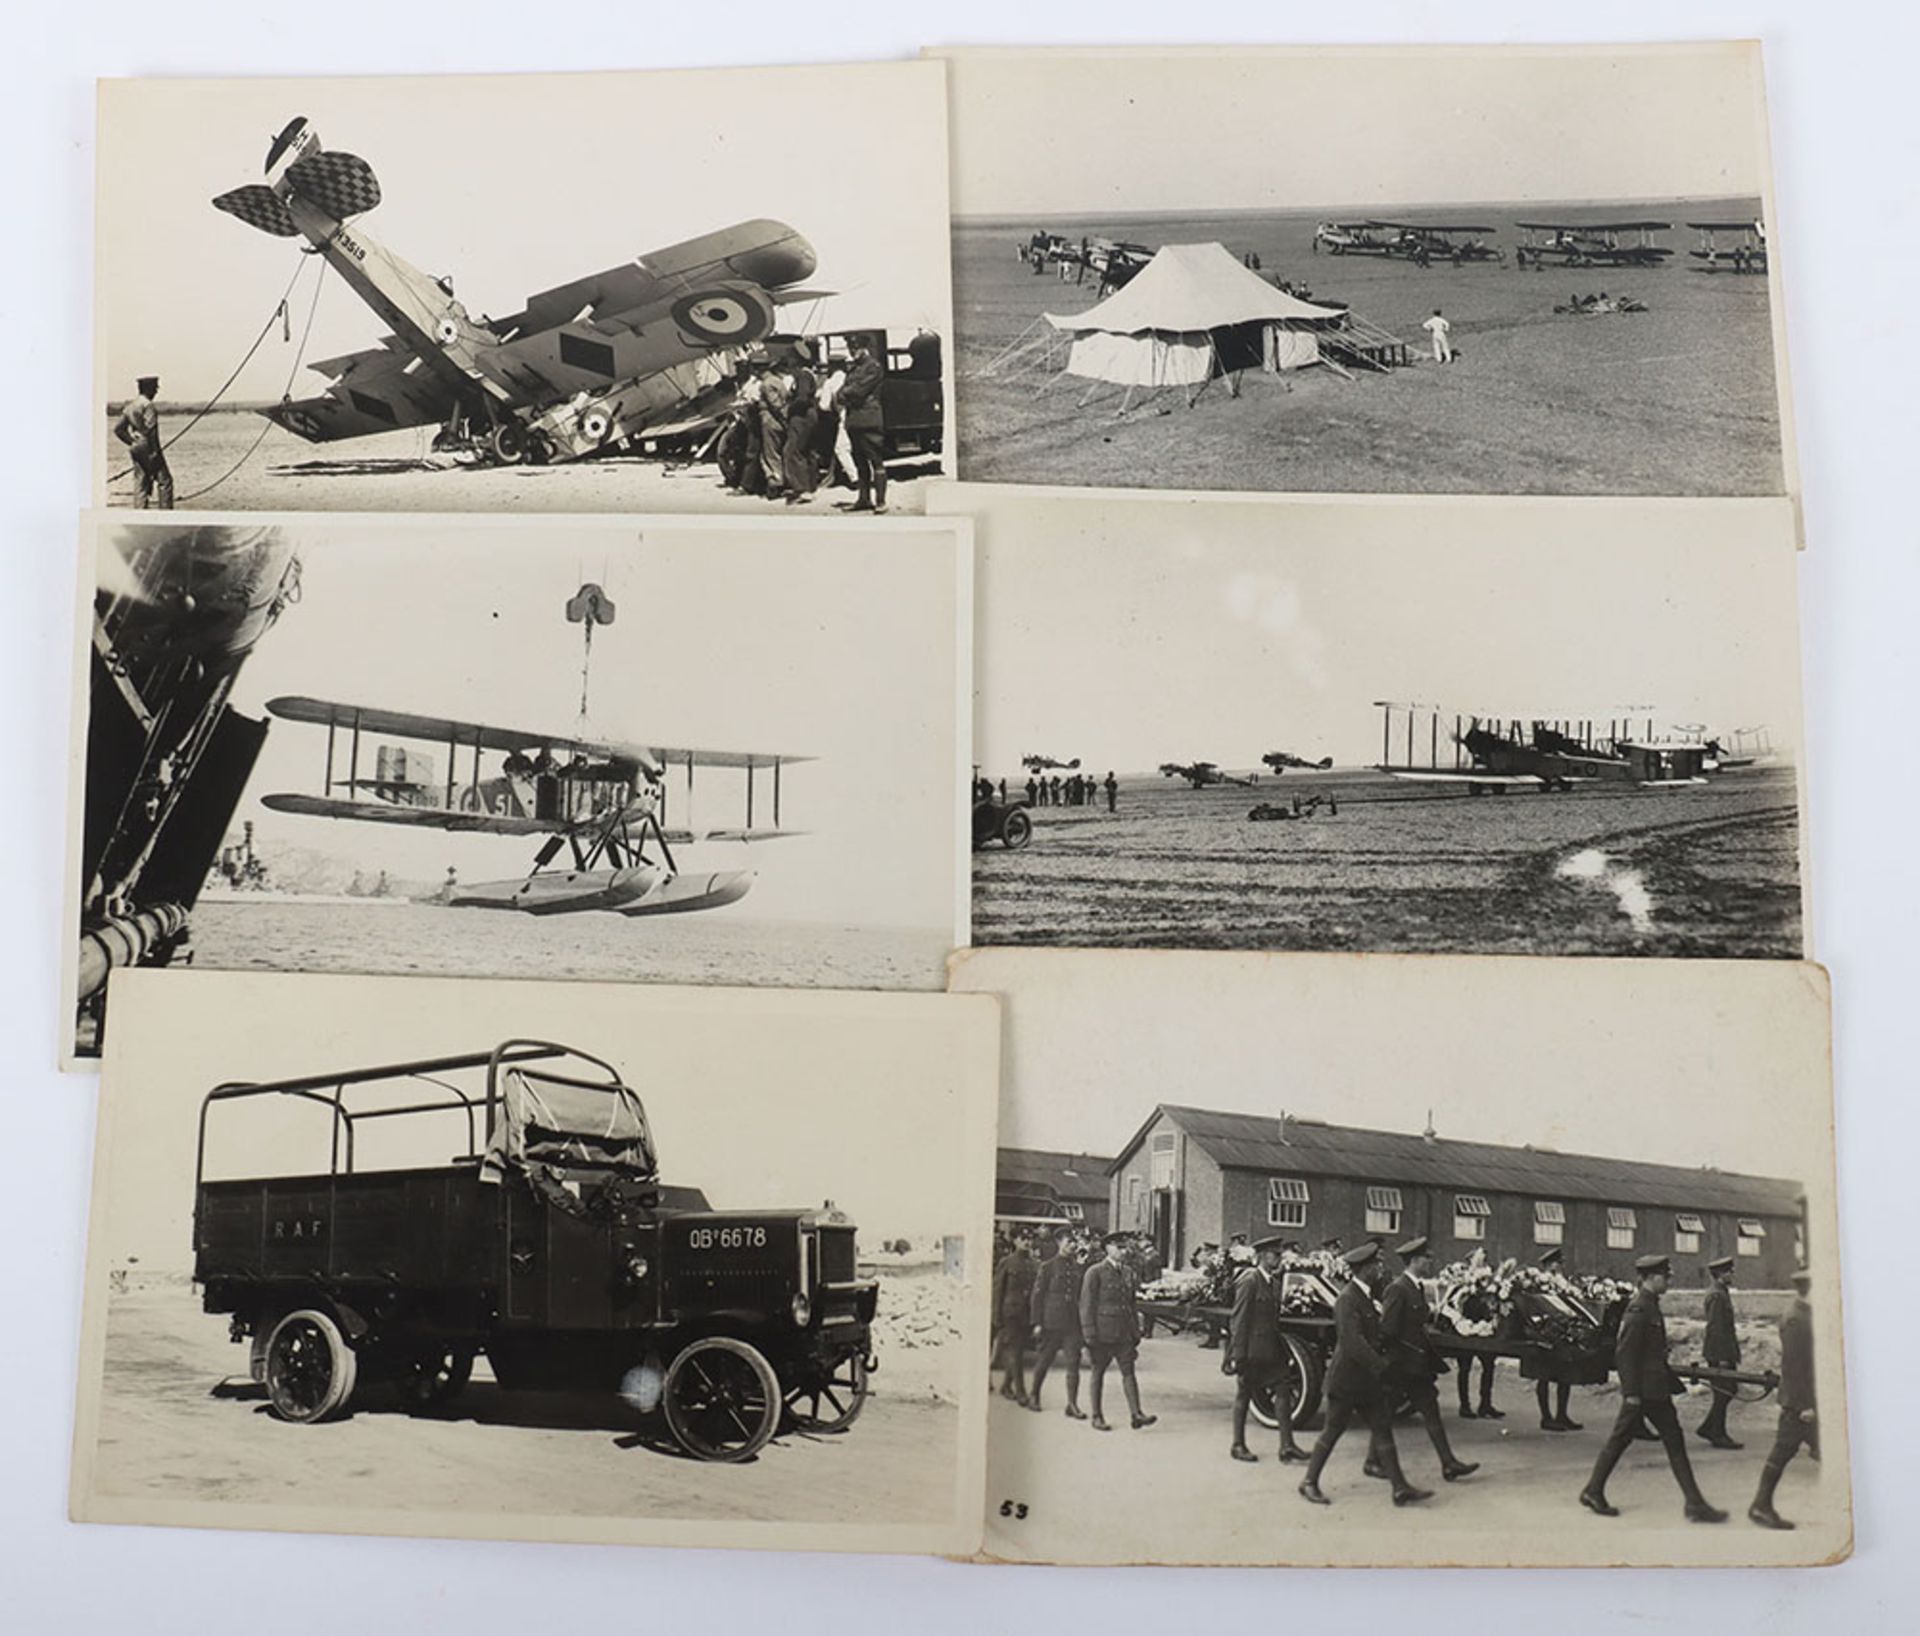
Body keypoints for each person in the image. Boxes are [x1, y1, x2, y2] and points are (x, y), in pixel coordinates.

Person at [1578, 1254, 1727, 1522]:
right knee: (1625, 1440)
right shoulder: (1639, 1309)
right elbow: (1625, 1355)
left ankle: (1694, 1503)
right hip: (1644, 1393)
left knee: (1667, 1441)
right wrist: (1631, 1394)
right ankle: (1593, 1490)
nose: (1669, 1281)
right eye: (1665, 1277)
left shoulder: (1650, 1305)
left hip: (1654, 1389)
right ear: (1650, 1278)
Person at [1299, 1242, 1431, 1506]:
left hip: (1365, 1380)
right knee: (1332, 1431)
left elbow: (1374, 1335)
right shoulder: (1348, 1299)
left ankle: (1399, 1487)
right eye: (1377, 1265)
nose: (1381, 1269)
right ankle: (1309, 1482)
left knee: (1383, 1429)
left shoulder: (1365, 1297)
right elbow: (1353, 1342)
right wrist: (1382, 1366)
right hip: (1346, 1380)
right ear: (1365, 1269)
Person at [1379, 1237, 1480, 1482]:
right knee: (1384, 1415)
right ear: (1414, 1261)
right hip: (1402, 1366)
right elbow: (1388, 1331)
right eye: (1426, 1258)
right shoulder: (1398, 1288)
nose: (1430, 1261)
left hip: (1416, 1367)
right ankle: (1374, 1460)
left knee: (1428, 1410)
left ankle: (1448, 1463)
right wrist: (1401, 1358)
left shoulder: (1416, 1287)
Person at [1226, 1235, 1308, 1464]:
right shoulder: (1249, 1281)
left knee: (1282, 1391)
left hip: (1270, 1349)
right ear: (1262, 1256)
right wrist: (1237, 1354)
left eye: (1280, 1254)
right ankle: (1238, 1445)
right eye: (1275, 1254)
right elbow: (1239, 1319)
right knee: (1244, 1394)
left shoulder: (1273, 1282)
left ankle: (1287, 1445)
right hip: (1251, 1352)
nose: (1279, 1259)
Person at [1749, 1268, 1818, 1529]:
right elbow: (1794, 1366)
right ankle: (1761, 1506)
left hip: (1807, 1403)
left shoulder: (1805, 1315)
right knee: (1782, 1452)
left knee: (1819, 1452)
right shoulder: (1796, 1320)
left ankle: (1761, 1505)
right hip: (1800, 1406)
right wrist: (1806, 1406)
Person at [1079, 1231, 1156, 1431]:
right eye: (1118, 1247)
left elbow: (1131, 1305)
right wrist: (1089, 1333)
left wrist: (1135, 1332)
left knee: (1129, 1373)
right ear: (1107, 1248)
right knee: (1098, 1372)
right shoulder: (1094, 1272)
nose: (1122, 1251)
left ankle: (1136, 1413)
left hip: (1124, 1333)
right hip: (1102, 1332)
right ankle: (1097, 1416)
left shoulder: (1129, 1272)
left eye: (1124, 1247)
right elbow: (1086, 1305)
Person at [1028, 1229, 1089, 1419]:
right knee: (1045, 1360)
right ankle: (1034, 1396)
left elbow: (1081, 1294)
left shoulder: (1077, 1268)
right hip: (1051, 1323)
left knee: (1073, 1363)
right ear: (1059, 1242)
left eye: (1074, 1242)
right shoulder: (1047, 1267)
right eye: (1069, 1242)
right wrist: (1037, 1322)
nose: (1073, 1245)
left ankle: (1072, 1404)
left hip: (1072, 1324)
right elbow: (1037, 1296)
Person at [1533, 1246, 1584, 1431]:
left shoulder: (1561, 1281)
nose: (1560, 1267)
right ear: (1548, 1265)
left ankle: (1562, 1414)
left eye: (1561, 1263)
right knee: (1544, 1376)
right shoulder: (1539, 1281)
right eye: (1557, 1263)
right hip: (1545, 1332)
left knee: (1565, 1375)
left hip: (1563, 1332)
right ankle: (1546, 1417)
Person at [839, 334, 888, 514]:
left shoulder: (873, 367)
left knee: (876, 461)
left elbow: (859, 391)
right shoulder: (854, 369)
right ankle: (863, 499)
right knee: (860, 462)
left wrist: (846, 392)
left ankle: (881, 501)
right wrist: (846, 392)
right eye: (850, 349)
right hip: (855, 420)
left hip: (869, 420)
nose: (852, 352)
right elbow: (840, 393)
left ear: (863, 348)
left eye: (855, 349)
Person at [1697, 1255, 1743, 1449]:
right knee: (1725, 1391)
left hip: (1723, 1351)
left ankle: (1712, 1428)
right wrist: (1723, 1358)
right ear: (1720, 1274)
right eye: (1729, 1271)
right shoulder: (1717, 1295)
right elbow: (1716, 1329)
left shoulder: (1721, 1292)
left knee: (1726, 1391)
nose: (1732, 1274)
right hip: (1719, 1353)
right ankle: (1716, 1432)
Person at [991, 1233, 1039, 1406]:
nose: (1027, 1242)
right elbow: (998, 1290)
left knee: (1016, 1351)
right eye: (1023, 1238)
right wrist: (996, 1317)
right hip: (1010, 1313)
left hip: (1027, 1315)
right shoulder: (1007, 1262)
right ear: (1015, 1241)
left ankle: (1005, 1386)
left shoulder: (1035, 1265)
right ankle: (1021, 1391)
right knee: (1015, 1352)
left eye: (1030, 1239)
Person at [114, 375, 174, 509]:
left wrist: (132, 442)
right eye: (154, 388)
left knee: (141, 482)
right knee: (165, 481)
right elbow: (151, 431)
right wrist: (154, 452)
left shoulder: (131, 406)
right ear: (148, 389)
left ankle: (139, 513)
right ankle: (166, 514)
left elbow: (118, 429)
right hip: (148, 446)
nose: (156, 391)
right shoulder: (148, 405)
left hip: (136, 447)